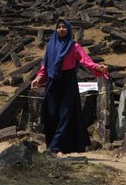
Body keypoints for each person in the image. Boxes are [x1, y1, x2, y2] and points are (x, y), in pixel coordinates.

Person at [31, 18, 109, 156]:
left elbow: (85, 60)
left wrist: (97, 67)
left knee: (65, 114)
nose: (61, 29)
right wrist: (38, 78)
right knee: (51, 114)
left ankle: (56, 147)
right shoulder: (50, 46)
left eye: (64, 27)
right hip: (53, 82)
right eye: (59, 27)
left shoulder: (73, 46)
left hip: (68, 82)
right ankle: (53, 145)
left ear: (68, 29)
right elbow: (45, 65)